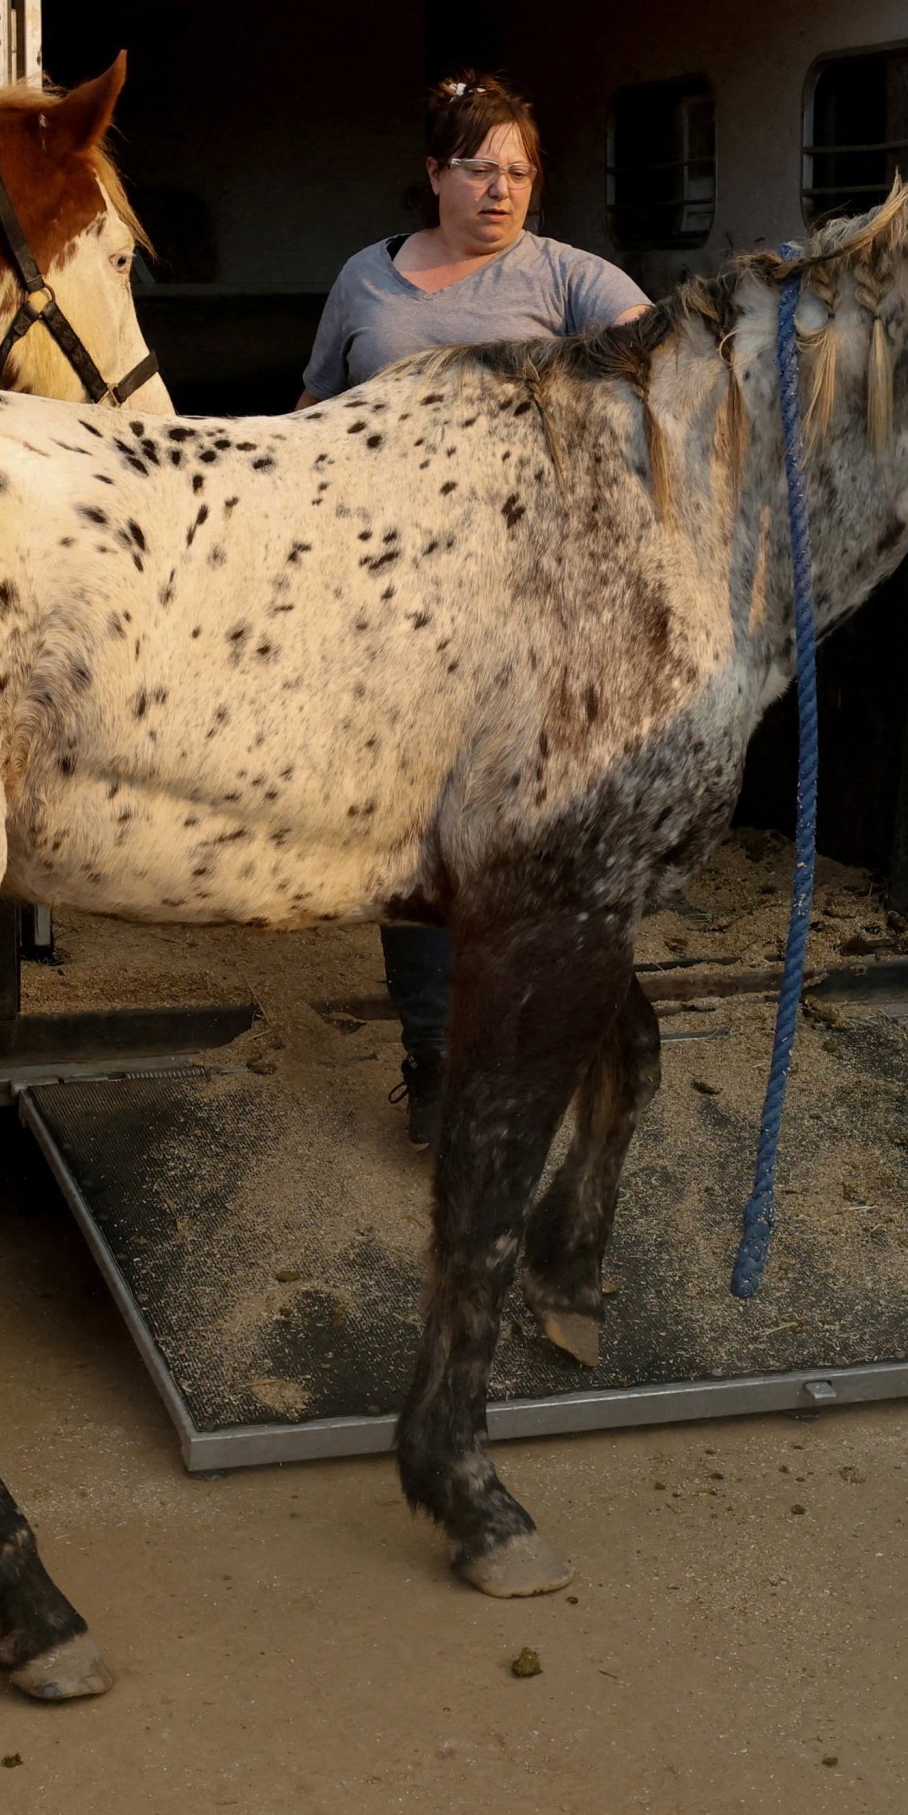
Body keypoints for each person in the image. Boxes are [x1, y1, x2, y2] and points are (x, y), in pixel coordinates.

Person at [299, 70, 649, 1142]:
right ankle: (435, 1061)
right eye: (479, 168)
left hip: (526, 601)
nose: (500, 190)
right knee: (417, 842)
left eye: (519, 171)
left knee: (523, 835)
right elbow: (312, 409)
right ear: (434, 174)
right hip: (388, 597)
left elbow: (668, 352)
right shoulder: (368, 279)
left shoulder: (565, 276)